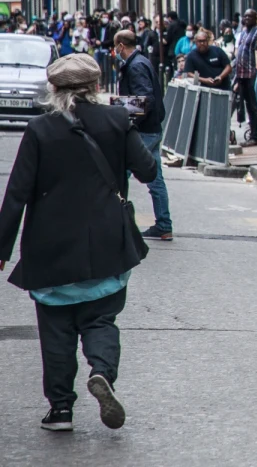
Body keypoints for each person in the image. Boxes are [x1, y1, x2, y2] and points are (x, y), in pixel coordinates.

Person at [0, 53, 157, 433]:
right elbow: (148, 169)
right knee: (101, 318)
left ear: (53, 89)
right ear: (96, 87)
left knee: (56, 329)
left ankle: (61, 410)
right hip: (107, 244)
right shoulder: (117, 121)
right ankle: (101, 371)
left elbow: (17, 192)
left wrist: (2, 249)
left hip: (50, 248)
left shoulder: (39, 129)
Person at [113, 31, 172, 242]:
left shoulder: (136, 65)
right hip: (152, 127)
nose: (115, 52)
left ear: (121, 46)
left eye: (115, 48)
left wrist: (127, 119)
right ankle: (164, 225)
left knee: (122, 171)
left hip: (144, 130)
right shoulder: (141, 62)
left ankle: (118, 221)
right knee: (155, 178)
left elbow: (145, 98)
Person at [234, 9, 257, 146]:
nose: (247, 18)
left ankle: (256, 136)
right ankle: (253, 133)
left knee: (254, 106)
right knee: (246, 106)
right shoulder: (243, 33)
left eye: (250, 16)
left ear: (256, 18)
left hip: (252, 74)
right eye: (245, 16)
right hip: (241, 74)